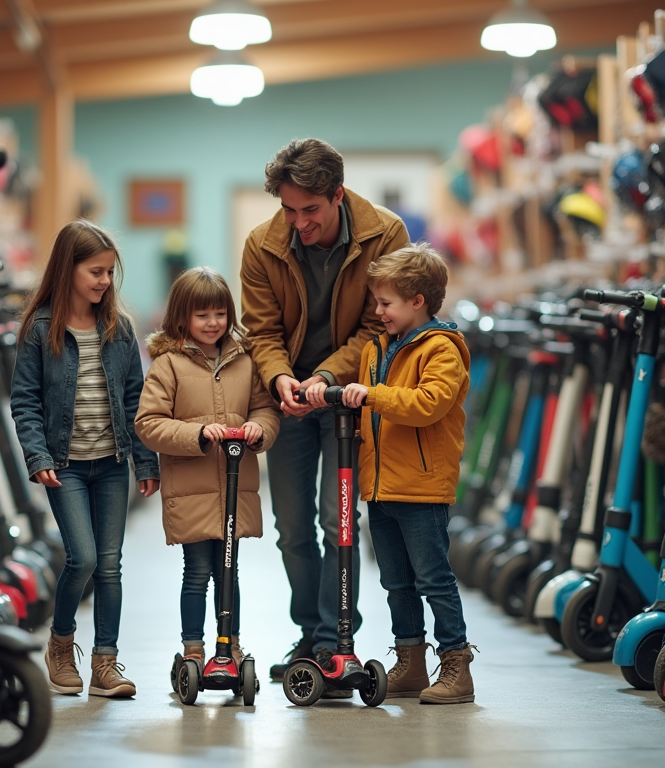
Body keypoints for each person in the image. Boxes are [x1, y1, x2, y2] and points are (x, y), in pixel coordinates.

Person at [240, 137, 410, 685]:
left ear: (337, 195)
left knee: (337, 520)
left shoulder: (386, 235)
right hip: (287, 399)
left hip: (346, 399)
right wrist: (281, 378)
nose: (298, 223)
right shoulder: (262, 244)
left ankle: (340, 636)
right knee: (291, 528)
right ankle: (310, 636)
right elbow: (262, 331)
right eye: (288, 210)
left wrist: (326, 378)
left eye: (309, 210)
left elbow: (377, 326)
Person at [10, 219, 160, 698]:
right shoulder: (40, 330)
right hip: (66, 465)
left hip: (111, 463)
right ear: (68, 269)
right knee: (84, 558)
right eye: (95, 271)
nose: (103, 281)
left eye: (109, 273)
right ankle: (60, 644)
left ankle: (105, 664)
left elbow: (136, 400)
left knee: (111, 564)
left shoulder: (120, 330)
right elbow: (25, 400)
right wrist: (36, 454)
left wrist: (146, 462)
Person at [337, 242, 477, 704]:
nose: (377, 312)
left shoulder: (442, 350)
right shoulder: (376, 349)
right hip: (380, 488)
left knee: (433, 579)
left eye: (385, 303)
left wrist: (371, 395)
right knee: (395, 581)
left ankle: (456, 666)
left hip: (421, 489)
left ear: (418, 301)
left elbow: (428, 405)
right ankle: (411, 661)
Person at [134, 267, 279, 676]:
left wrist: (259, 429)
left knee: (229, 571)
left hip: (234, 488)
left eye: (220, 313)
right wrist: (197, 433)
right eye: (202, 315)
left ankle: (229, 643)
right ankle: (194, 648)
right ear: (182, 317)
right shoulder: (168, 365)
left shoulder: (244, 360)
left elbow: (265, 409)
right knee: (197, 571)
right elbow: (149, 423)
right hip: (191, 489)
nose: (213, 323)